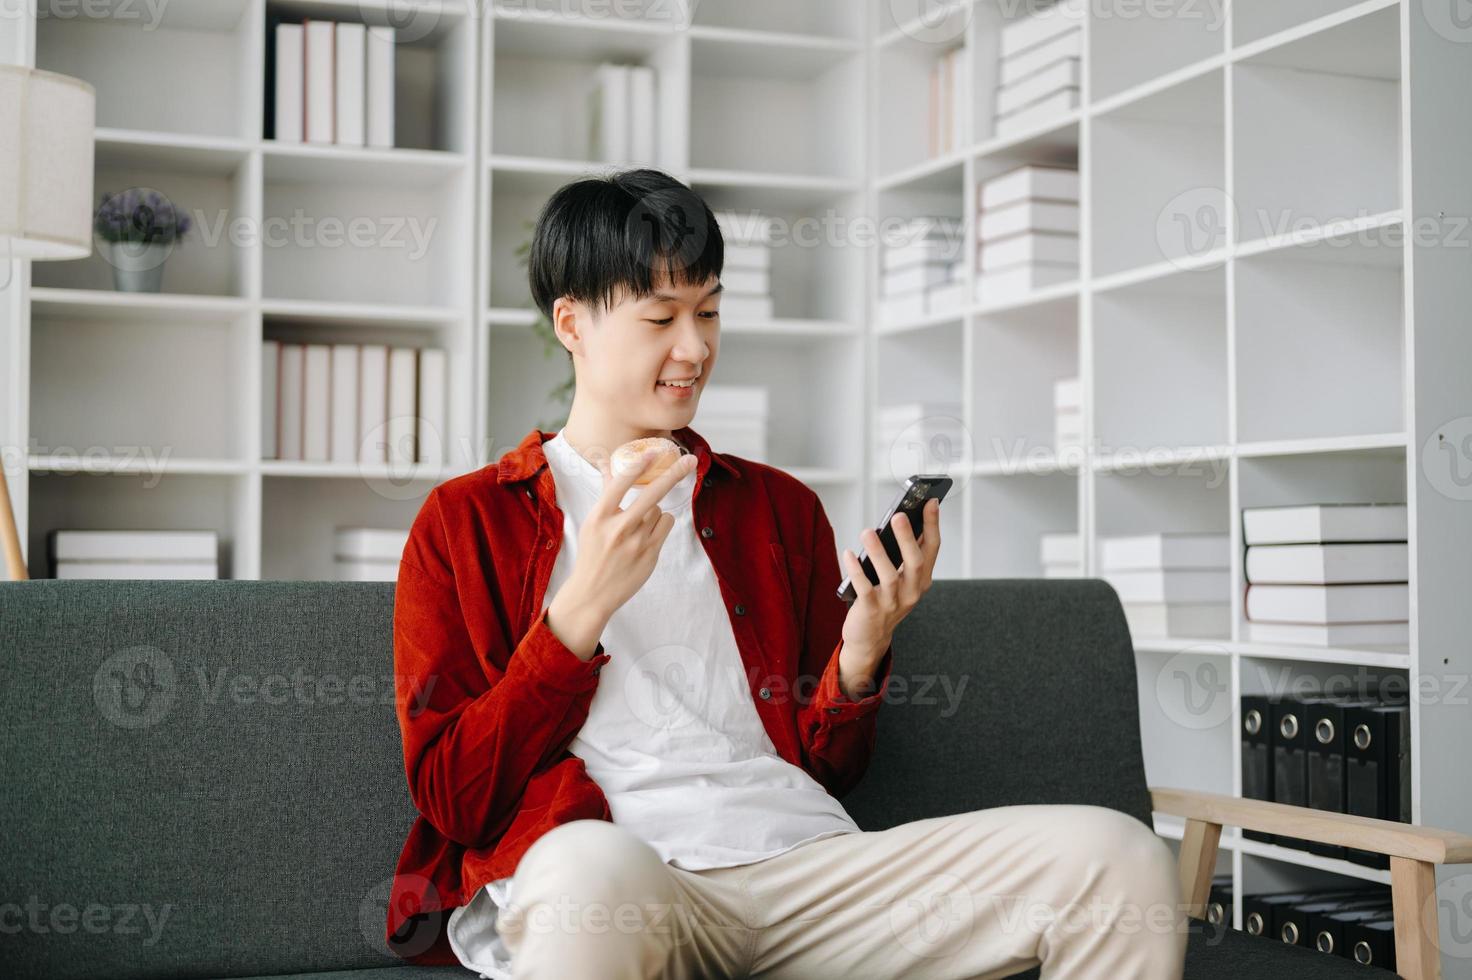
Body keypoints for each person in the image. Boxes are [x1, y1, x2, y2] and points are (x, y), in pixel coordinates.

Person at [386, 168, 1187, 978]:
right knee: (589, 874)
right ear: (572, 323)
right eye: (661, 316)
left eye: (709, 311)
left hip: (807, 872)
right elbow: (455, 796)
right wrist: (579, 611)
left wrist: (865, 647)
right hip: (630, 882)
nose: (694, 348)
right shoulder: (467, 521)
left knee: (1117, 859)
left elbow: (826, 766)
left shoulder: (775, 509)